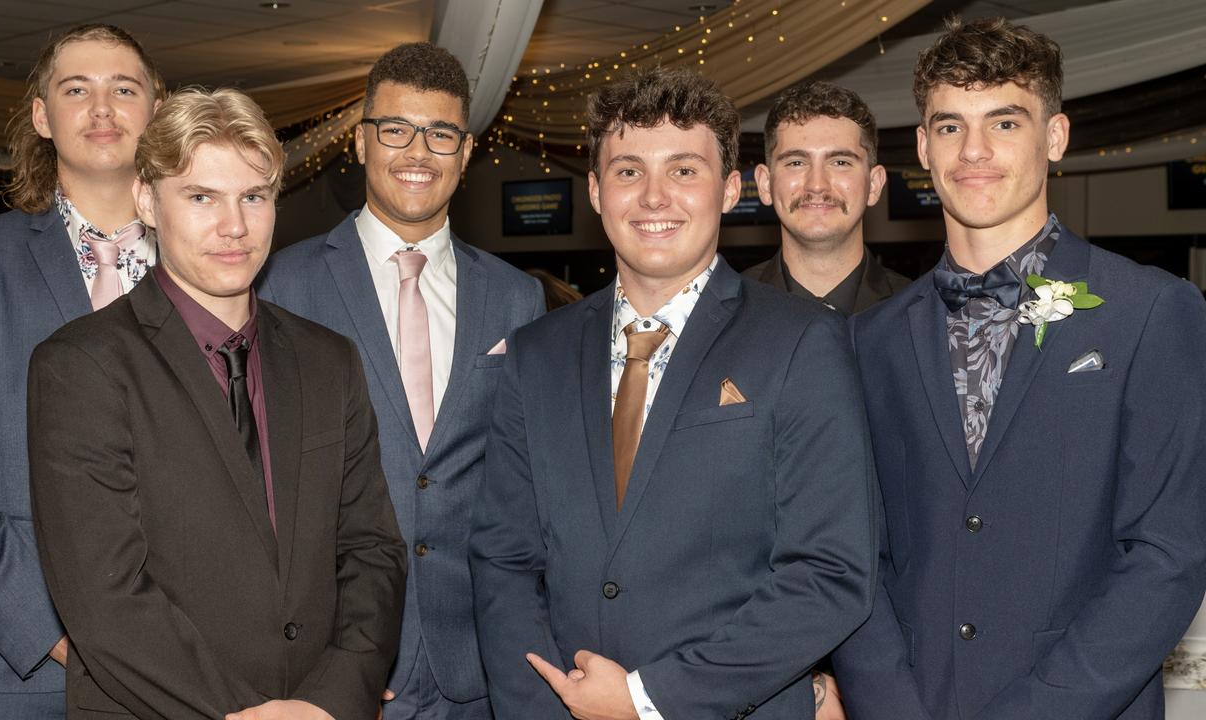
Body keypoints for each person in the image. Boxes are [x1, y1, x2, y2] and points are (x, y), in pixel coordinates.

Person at [469, 67, 875, 720]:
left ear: (731, 189)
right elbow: (503, 561)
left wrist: (644, 700)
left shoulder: (802, 343)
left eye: (684, 170)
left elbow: (827, 575)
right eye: (629, 172)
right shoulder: (534, 354)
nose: (654, 197)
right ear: (598, 191)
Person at [832, 17, 1206, 720]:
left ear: (1055, 138)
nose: (974, 151)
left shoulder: (1152, 312)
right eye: (949, 127)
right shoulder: (869, 340)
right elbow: (853, 556)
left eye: (1004, 124)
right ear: (921, 146)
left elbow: (1168, 557)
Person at [28, 87, 407, 720]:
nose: (234, 226)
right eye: (201, 197)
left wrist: (330, 699)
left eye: (252, 197)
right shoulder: (80, 365)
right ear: (148, 201)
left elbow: (372, 549)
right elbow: (105, 597)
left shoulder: (328, 359)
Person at [258, 42, 543, 720]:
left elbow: (528, 485)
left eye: (440, 133)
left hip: (478, 671)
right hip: (331, 669)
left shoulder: (516, 299)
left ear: (466, 152)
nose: (419, 152)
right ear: (360, 143)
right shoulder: (279, 286)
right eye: (396, 130)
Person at [0, 24, 164, 719]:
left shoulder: (213, 265)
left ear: (156, 108)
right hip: (19, 675)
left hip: (192, 665)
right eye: (76, 89)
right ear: (41, 115)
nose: (102, 108)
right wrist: (57, 632)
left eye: (124, 89)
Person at [745, 80, 910, 316]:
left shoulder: (921, 316)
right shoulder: (720, 318)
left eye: (840, 162)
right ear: (764, 184)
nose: (817, 185)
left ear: (874, 185)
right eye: (796, 163)